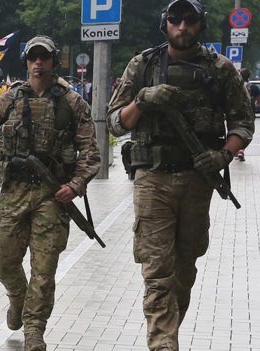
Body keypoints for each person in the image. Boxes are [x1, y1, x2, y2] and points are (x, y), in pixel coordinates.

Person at [106, 1, 255, 350]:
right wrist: (142, 100)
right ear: (165, 24)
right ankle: (163, 344)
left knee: (184, 270)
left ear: (200, 25)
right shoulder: (142, 65)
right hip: (152, 181)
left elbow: (243, 122)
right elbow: (114, 121)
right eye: (175, 20)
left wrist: (223, 155)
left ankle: (166, 333)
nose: (182, 27)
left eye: (189, 20)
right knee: (157, 274)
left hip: (196, 182)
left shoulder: (219, 69)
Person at [0, 35, 100, 351]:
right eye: (33, 58)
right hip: (13, 190)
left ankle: (34, 331)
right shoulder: (9, 99)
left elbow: (91, 152)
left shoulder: (71, 102)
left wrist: (75, 185)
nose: (38, 63)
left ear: (54, 62)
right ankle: (17, 298)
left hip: (53, 196)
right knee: (2, 257)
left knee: (44, 267)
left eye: (44, 58)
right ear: (26, 62)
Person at [236, 68, 259, 161]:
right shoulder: (253, 87)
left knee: (236, 130)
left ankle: (237, 150)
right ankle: (241, 150)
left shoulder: (236, 85)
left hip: (236, 112)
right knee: (248, 132)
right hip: (250, 114)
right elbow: (259, 100)